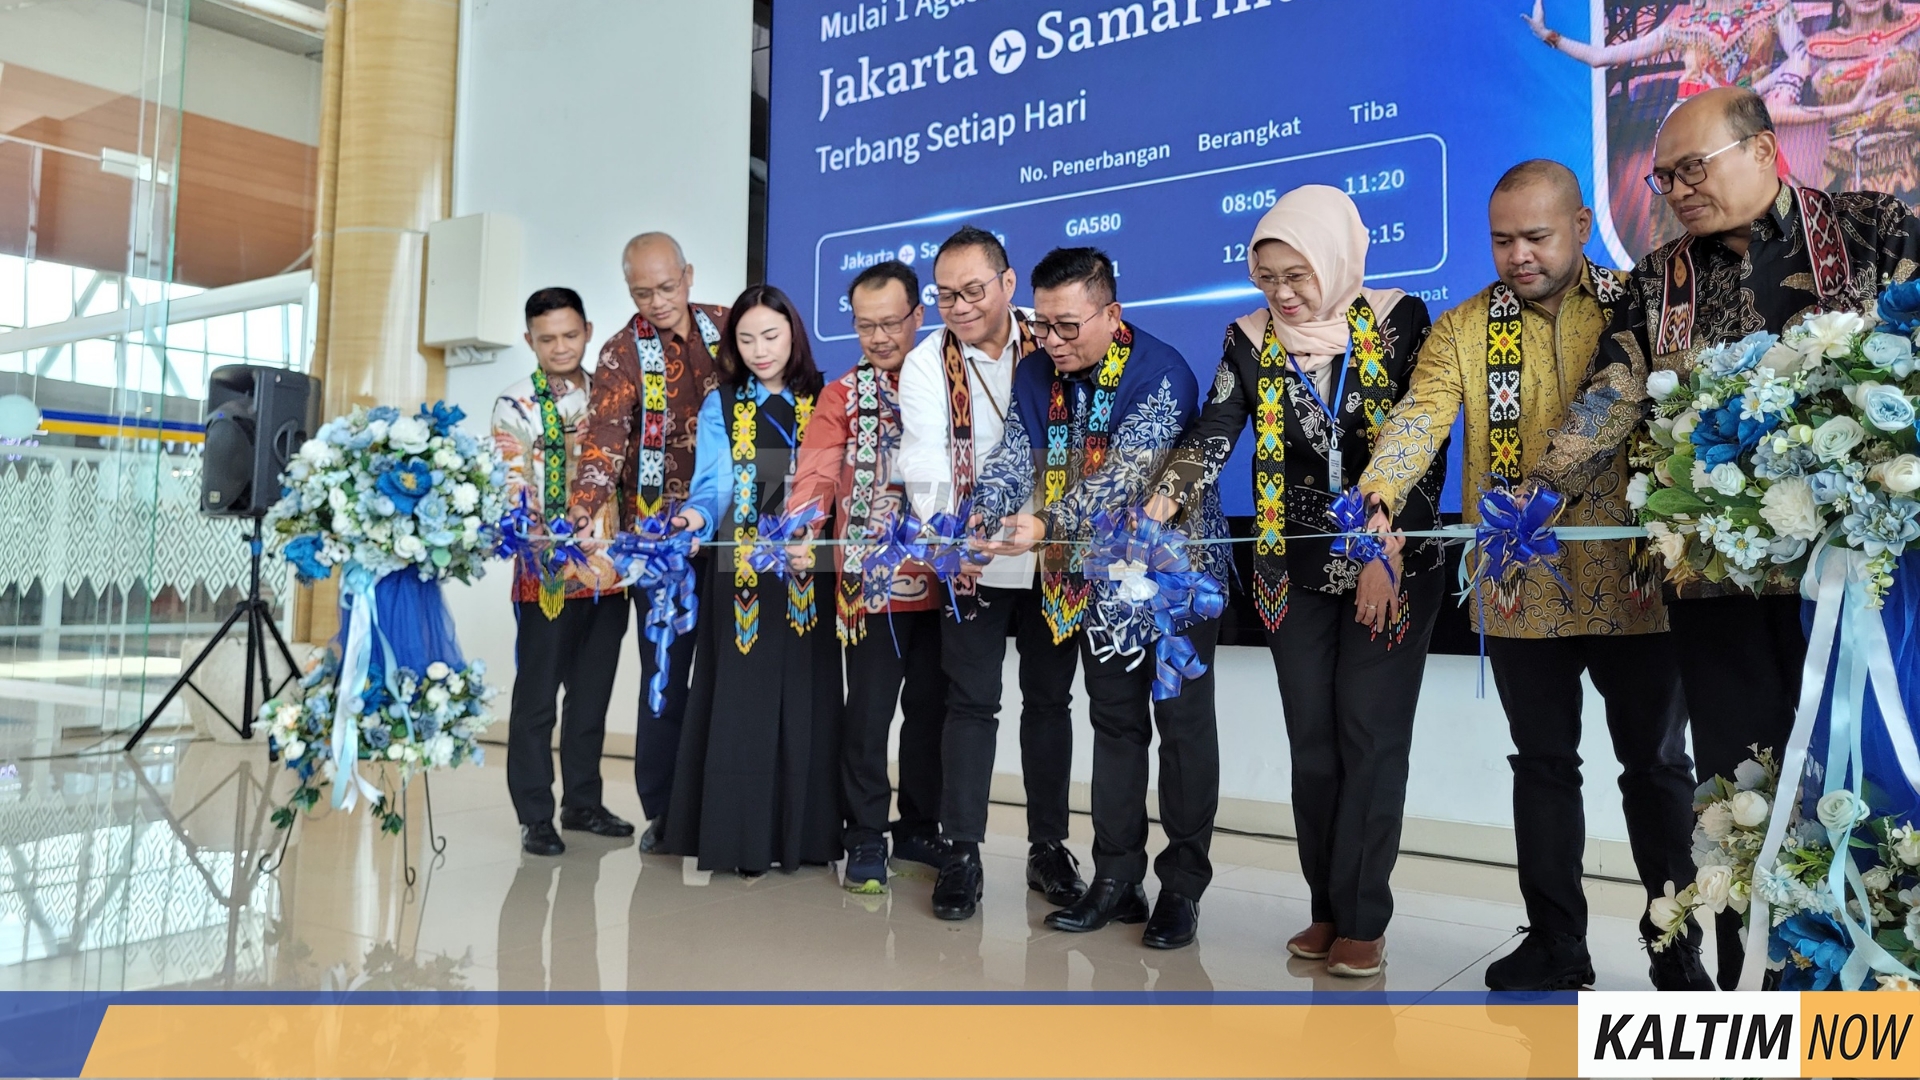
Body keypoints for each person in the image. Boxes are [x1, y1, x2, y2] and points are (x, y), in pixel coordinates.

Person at [1527, 86, 1920, 986]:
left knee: (1868, 779)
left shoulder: (1873, 232)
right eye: (1664, 176)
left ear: (1765, 150)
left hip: (1858, 587)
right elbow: (1611, 395)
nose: (1675, 190)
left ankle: (1879, 981)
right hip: (1719, 589)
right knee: (1739, 793)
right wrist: (1539, 496)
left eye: (1692, 169)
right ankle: (1762, 985)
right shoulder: (1660, 277)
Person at [1356, 162, 1709, 992]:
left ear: (1582, 225)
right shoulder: (1464, 328)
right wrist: (1379, 491)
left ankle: (1677, 948)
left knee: (1657, 769)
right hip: (1522, 591)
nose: (1517, 255)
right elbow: (1420, 415)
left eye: (1536, 237)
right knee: (1542, 765)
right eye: (1502, 239)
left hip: (1639, 585)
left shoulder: (1644, 306)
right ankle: (1557, 943)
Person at [1146, 186, 1445, 978]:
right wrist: (1167, 492)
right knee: (1313, 744)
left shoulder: (1399, 319)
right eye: (1267, 276)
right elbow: (1216, 427)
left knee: (1370, 737)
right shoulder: (1248, 340)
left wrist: (1383, 544)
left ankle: (1365, 918)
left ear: (1336, 259)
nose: (1282, 292)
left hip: (1392, 561)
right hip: (1293, 565)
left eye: (1298, 274)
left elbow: (1428, 431)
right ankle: (1327, 907)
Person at [974, 247, 1226, 949]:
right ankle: (1116, 880)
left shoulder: (1161, 370)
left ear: (1111, 315)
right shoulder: (1034, 372)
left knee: (1181, 731)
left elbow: (1126, 476)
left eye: (1067, 327)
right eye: (1043, 326)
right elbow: (1012, 456)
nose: (1051, 342)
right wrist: (981, 512)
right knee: (1115, 727)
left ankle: (1183, 888)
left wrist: (1047, 522)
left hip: (1177, 585)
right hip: (1098, 584)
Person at [898, 225, 1086, 921]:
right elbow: (924, 458)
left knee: (1050, 704)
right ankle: (962, 851)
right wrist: (956, 531)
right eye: (945, 294)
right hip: (973, 557)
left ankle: (1048, 848)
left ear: (1008, 285)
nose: (960, 306)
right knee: (970, 705)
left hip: (1052, 554)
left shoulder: (1056, 338)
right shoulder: (926, 363)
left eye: (973, 290)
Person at [665, 284, 841, 874]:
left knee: (806, 693)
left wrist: (809, 535)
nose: (760, 350)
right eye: (746, 339)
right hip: (739, 566)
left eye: (771, 335)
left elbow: (836, 483)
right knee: (740, 698)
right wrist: (691, 517)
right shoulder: (726, 401)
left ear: (793, 333)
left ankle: (806, 837)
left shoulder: (826, 396)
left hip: (805, 563)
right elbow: (714, 485)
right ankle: (740, 841)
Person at [787, 260, 950, 893]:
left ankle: (919, 828)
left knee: (932, 711)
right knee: (870, 713)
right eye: (864, 326)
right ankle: (864, 835)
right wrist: (803, 524)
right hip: (870, 582)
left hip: (945, 579)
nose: (879, 337)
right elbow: (818, 469)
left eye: (890, 323)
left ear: (919, 315)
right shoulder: (841, 395)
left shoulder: (946, 379)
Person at [570, 233, 726, 854]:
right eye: (642, 292)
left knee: (731, 672)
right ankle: (664, 810)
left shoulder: (729, 325)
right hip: (660, 543)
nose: (658, 302)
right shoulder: (618, 353)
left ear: (688, 275)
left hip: (736, 531)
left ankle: (724, 802)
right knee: (666, 673)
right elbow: (605, 440)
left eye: (667, 287)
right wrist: (584, 511)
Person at [492, 288, 634, 856]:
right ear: (529, 340)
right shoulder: (515, 403)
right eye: (546, 338)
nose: (559, 346)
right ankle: (534, 814)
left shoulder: (613, 396)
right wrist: (548, 530)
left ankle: (583, 801)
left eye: (570, 335)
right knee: (536, 699)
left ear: (588, 331)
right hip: (544, 572)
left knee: (592, 693)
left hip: (608, 571)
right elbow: (512, 480)